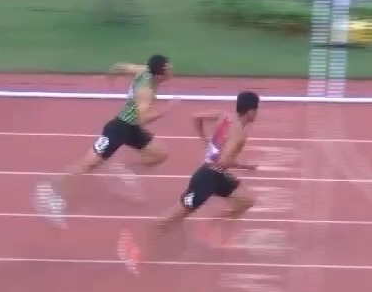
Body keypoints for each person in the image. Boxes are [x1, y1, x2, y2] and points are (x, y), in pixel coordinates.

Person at [119, 91, 261, 272]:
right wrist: (245, 166)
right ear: (251, 111)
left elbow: (196, 117)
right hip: (206, 180)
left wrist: (205, 141)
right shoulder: (239, 134)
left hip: (217, 176)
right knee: (170, 219)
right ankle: (137, 251)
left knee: (246, 200)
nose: (257, 113)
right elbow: (224, 160)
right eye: (257, 110)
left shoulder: (224, 115)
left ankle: (207, 226)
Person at [34, 54, 178, 226]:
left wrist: (109, 78)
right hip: (119, 128)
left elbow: (120, 66)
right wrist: (164, 112)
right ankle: (52, 193)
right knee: (88, 165)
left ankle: (121, 171)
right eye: (168, 68)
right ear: (160, 74)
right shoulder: (145, 91)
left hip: (131, 129)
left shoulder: (144, 71)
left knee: (159, 154)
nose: (172, 70)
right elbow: (140, 118)